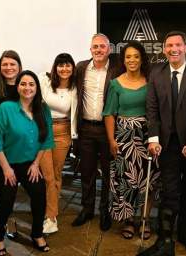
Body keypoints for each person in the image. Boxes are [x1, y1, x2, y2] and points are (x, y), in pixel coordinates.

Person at [136, 30, 186, 256]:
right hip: (166, 145)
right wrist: (153, 139)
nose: (174, 49)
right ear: (164, 49)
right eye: (169, 45)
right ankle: (165, 241)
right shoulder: (156, 73)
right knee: (170, 191)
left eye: (178, 45)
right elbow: (152, 109)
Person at [0, 70, 54, 256]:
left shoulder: (42, 110)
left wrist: (36, 164)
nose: (27, 87)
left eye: (31, 84)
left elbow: (46, 141)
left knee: (39, 194)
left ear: (37, 88)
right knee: (7, 199)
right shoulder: (5, 109)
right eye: (23, 84)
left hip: (28, 163)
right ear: (18, 87)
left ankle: (37, 234)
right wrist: (7, 169)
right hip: (1, 162)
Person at [102, 41, 160, 239]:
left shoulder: (151, 81)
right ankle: (128, 220)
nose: (132, 60)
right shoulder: (115, 84)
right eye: (128, 56)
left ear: (142, 58)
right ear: (123, 60)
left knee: (148, 180)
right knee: (126, 180)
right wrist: (111, 140)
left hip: (147, 137)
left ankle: (144, 219)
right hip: (124, 138)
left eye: (136, 56)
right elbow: (109, 114)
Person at [72, 33, 120, 231]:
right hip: (86, 129)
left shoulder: (118, 68)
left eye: (102, 46)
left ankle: (105, 211)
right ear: (90, 49)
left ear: (109, 49)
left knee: (109, 174)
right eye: (95, 47)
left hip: (108, 129)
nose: (98, 50)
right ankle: (87, 209)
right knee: (87, 171)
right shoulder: (81, 67)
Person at [39, 53, 78, 233]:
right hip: (43, 131)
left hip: (62, 132)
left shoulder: (75, 88)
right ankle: (47, 213)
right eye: (60, 65)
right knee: (46, 174)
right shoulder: (45, 82)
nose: (64, 69)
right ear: (55, 67)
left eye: (68, 65)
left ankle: (50, 215)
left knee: (55, 173)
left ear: (73, 67)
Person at [0, 50, 23, 239]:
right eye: (5, 64)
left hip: (21, 147)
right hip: (1, 148)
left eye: (12, 64)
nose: (8, 68)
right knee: (5, 190)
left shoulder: (26, 86)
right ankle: (6, 224)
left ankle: (9, 221)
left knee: (14, 190)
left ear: (19, 67)